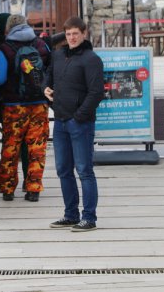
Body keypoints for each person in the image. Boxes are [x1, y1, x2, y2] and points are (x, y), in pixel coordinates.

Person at [0, 14, 50, 202]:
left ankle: (8, 189)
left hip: (14, 107)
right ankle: (33, 189)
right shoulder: (41, 45)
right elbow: (50, 71)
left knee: (11, 147)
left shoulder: (5, 48)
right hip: (39, 105)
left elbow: (0, 78)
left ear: (8, 29)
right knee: (37, 148)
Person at [45, 16, 104, 232]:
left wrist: (79, 116)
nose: (71, 38)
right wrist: (45, 89)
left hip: (81, 123)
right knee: (63, 170)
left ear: (83, 34)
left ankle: (89, 218)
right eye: (68, 34)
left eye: (75, 34)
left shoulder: (91, 59)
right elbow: (48, 76)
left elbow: (96, 92)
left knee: (84, 170)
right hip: (60, 121)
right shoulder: (58, 55)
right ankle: (71, 215)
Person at [0, 13, 29, 191]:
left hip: (7, 100)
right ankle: (29, 181)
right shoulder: (31, 42)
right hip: (30, 100)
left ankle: (8, 185)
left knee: (9, 142)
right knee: (27, 143)